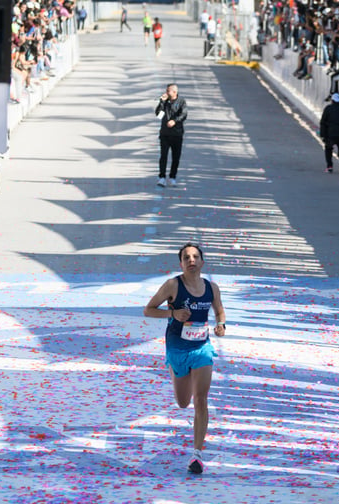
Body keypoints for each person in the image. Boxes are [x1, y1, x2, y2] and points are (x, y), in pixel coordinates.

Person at [143, 243, 226, 474]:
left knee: (200, 399)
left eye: (195, 257)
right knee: (183, 402)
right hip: (177, 349)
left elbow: (219, 310)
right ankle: (179, 372)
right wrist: (173, 313)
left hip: (201, 349)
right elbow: (148, 309)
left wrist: (221, 325)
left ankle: (197, 455)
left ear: (202, 262)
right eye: (186, 257)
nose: (191, 260)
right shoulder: (173, 285)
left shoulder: (212, 288)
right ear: (181, 263)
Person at [154, 83, 187, 188]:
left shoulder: (181, 101)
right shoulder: (165, 102)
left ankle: (172, 177)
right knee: (163, 156)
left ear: (174, 92)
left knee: (176, 157)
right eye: (166, 91)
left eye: (168, 91)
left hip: (177, 134)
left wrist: (175, 121)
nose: (166, 93)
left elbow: (184, 114)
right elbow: (159, 115)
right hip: (165, 134)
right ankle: (162, 177)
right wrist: (161, 102)